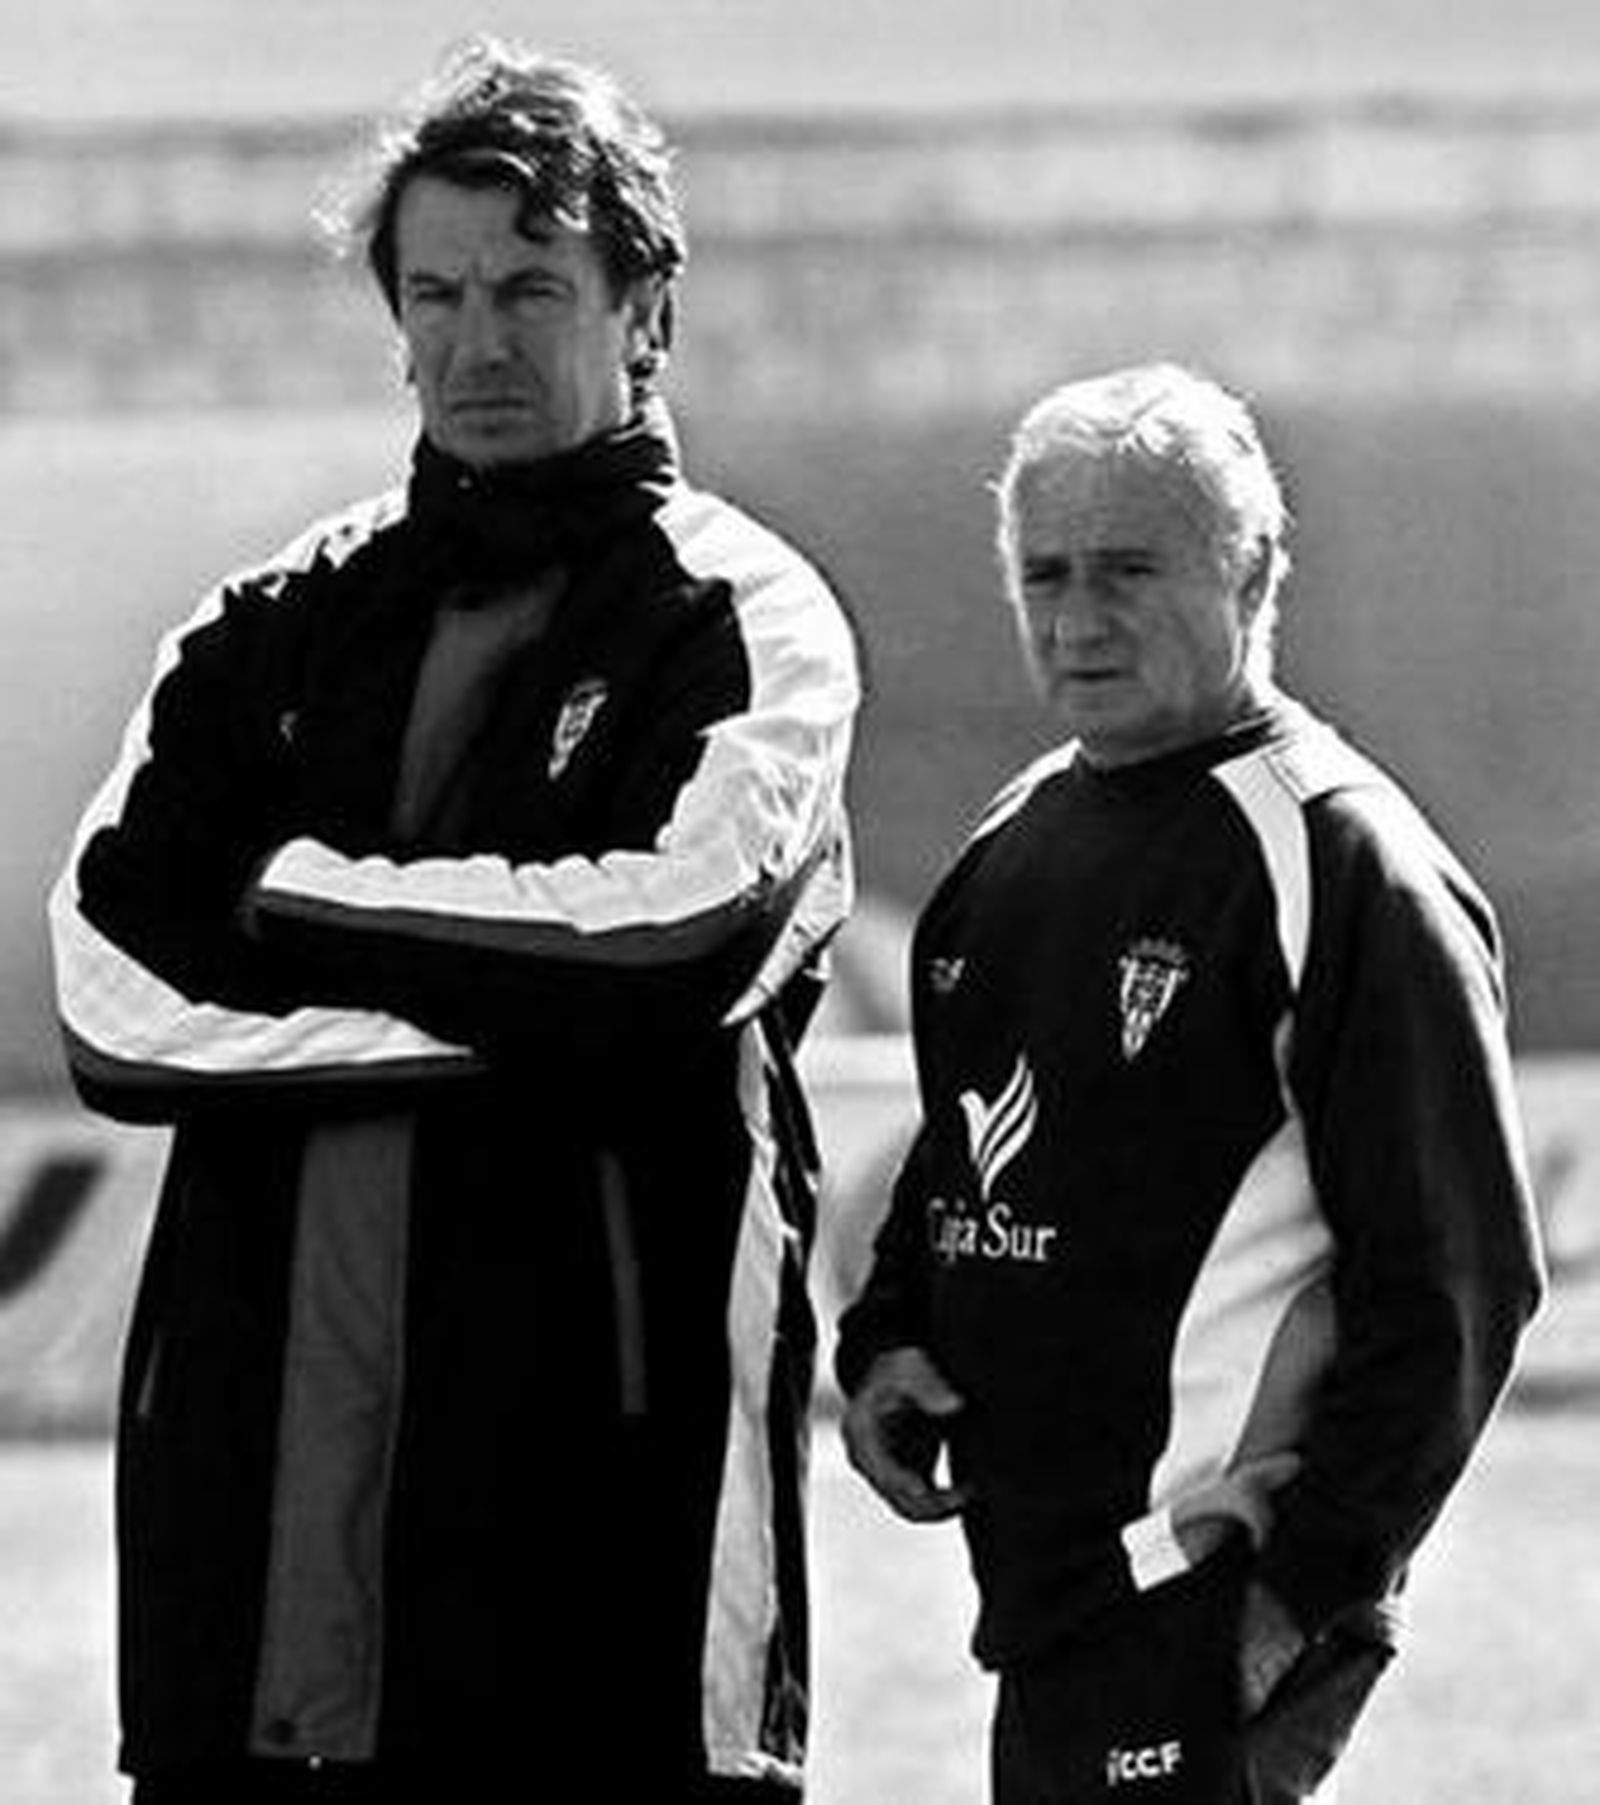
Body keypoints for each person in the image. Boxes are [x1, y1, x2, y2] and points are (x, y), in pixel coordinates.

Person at [50, 38, 860, 1804]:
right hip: (249, 1509)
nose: (476, 339)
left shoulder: (748, 617)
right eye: (435, 291)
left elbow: (667, 940)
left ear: (645, 308)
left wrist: (295, 896)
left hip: (596, 1518)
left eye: (529, 288)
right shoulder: (266, 623)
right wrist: (513, 1030)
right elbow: (111, 996)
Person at [835, 363, 1543, 1802]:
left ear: (1255, 569)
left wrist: (1304, 1592)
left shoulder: (1345, 867)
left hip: (1209, 1592)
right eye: (1045, 574)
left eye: (1129, 569)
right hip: (1045, 1591)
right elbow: (964, 1153)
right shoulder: (1015, 838)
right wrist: (890, 1336)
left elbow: (1462, 1284)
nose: (1078, 619)